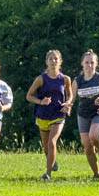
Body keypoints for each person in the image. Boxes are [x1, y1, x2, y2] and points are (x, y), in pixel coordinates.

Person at [25, 50, 73, 181]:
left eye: (56, 59)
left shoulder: (65, 79)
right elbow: (29, 96)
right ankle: (52, 160)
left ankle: (48, 174)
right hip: (43, 115)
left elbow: (70, 95)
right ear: (46, 62)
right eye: (51, 59)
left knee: (52, 142)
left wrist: (68, 103)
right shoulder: (41, 79)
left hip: (58, 114)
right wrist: (41, 101)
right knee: (46, 147)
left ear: (60, 61)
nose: (53, 61)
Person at [72, 50, 99, 178]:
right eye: (87, 62)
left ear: (96, 64)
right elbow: (72, 99)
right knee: (88, 147)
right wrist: (67, 105)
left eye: (92, 62)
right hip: (83, 114)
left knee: (94, 136)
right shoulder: (77, 80)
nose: (89, 65)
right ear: (82, 64)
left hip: (98, 112)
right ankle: (96, 174)